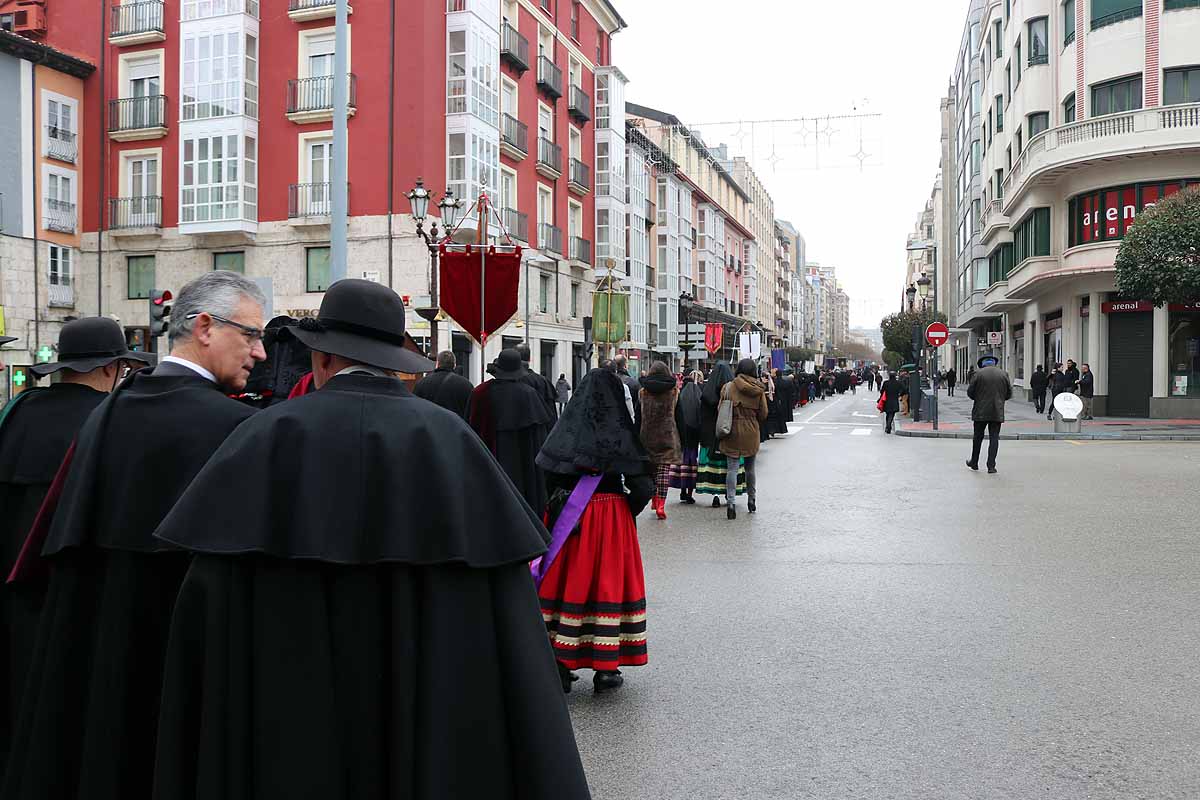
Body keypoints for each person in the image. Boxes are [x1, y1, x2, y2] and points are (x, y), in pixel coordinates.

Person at [149, 278, 591, 799]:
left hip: (284, 737)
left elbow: (211, 610)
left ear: (322, 360)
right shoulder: (451, 442)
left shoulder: (263, 437)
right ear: (396, 362)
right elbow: (507, 627)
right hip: (431, 729)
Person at [2, 272, 266, 800]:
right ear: (206, 327)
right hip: (181, 664)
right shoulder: (236, 427)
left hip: (97, 653)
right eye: (251, 334)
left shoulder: (105, 415)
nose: (260, 352)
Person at [0, 318, 152, 779]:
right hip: (70, 600)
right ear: (112, 369)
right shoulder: (109, 422)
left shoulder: (17, 411)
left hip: (10, 598)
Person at [535, 367, 652, 695]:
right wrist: (625, 510)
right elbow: (643, 485)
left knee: (566, 584)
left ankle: (560, 662)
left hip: (569, 520)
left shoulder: (567, 429)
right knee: (607, 586)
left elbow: (547, 472)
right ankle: (606, 667)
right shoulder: (621, 432)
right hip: (610, 515)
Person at [467, 348, 552, 514]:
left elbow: (470, 429)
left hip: (489, 460)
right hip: (522, 464)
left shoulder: (480, 392)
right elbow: (539, 440)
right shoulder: (529, 395)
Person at [719, 359, 769, 519]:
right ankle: (751, 499)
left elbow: (720, 408)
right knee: (750, 468)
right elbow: (763, 414)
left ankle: (731, 503)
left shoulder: (728, 387)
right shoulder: (759, 390)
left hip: (731, 431)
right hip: (751, 432)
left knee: (732, 468)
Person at [696, 361, 745, 507]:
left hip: (711, 435)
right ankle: (728, 493)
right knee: (729, 466)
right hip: (729, 433)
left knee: (713, 464)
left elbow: (702, 416)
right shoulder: (733, 391)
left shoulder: (706, 392)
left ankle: (715, 493)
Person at [638, 361, 683, 520]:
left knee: (651, 471)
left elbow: (638, 417)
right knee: (664, 473)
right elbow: (680, 416)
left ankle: (654, 499)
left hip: (647, 437)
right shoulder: (673, 392)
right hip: (667, 436)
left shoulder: (643, 392)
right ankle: (661, 505)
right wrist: (682, 437)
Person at [966, 355, 1013, 474]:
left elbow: (970, 392)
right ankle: (991, 466)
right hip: (997, 410)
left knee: (977, 437)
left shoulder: (977, 374)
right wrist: (1000, 400)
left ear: (982, 364)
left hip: (980, 410)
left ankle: (974, 462)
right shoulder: (1003, 374)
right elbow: (1009, 394)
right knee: (994, 437)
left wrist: (978, 398)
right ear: (994, 363)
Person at [669, 370, 703, 504]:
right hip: (693, 438)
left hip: (681, 438)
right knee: (691, 465)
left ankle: (682, 490)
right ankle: (689, 493)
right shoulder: (698, 395)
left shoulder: (681, 396)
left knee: (681, 464)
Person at [412, 350, 473, 419]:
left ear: (437, 364)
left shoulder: (421, 383)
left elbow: (415, 410)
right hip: (456, 427)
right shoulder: (466, 385)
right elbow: (471, 413)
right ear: (454, 365)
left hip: (430, 427)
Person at [514, 343, 559, 422]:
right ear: (529, 359)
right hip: (541, 429)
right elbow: (551, 412)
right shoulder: (543, 380)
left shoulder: (512, 380)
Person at [614, 354, 641, 427]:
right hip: (628, 422)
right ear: (625, 366)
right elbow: (637, 404)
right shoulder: (634, 383)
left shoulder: (608, 381)